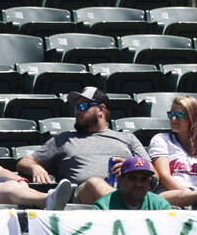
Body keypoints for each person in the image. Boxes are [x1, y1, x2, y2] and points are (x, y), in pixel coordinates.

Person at [17, 86, 148, 205]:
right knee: (95, 183)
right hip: (83, 198)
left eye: (83, 106)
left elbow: (153, 175)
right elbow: (24, 162)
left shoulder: (127, 138)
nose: (77, 112)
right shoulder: (64, 139)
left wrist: (129, 168)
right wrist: (35, 167)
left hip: (129, 192)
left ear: (101, 109)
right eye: (76, 107)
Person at [91, 156, 172, 210]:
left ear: (149, 181)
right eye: (133, 178)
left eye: (144, 179)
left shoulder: (160, 205)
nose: (138, 184)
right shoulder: (103, 206)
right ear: (120, 179)